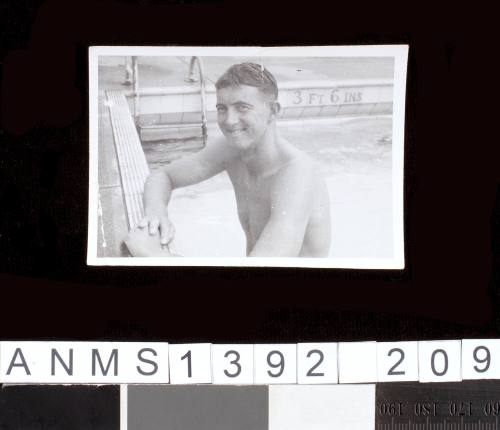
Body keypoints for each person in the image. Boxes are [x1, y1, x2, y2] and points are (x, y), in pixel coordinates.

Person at [125, 63, 331, 257]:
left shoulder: (297, 174)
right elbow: (163, 175)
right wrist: (156, 212)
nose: (229, 121)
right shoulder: (231, 149)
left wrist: (153, 255)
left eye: (242, 107)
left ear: (273, 111)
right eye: (222, 108)